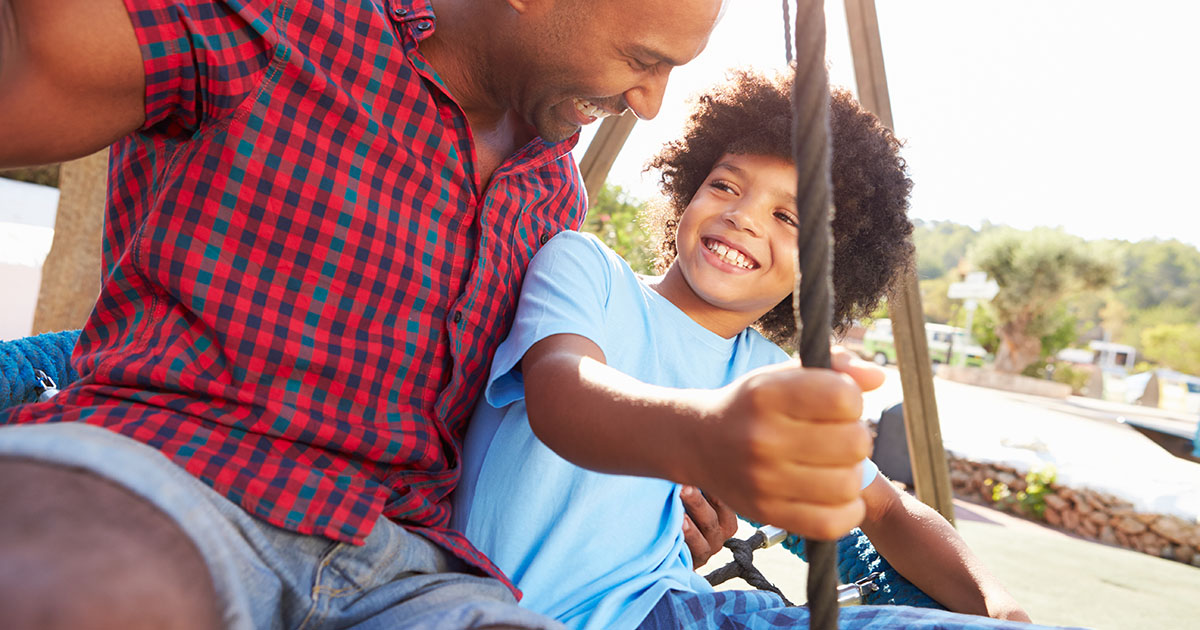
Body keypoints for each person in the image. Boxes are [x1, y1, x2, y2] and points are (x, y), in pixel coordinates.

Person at [0, 1, 880, 629]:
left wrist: (654, 511)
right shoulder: (286, 24)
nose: (651, 102)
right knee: (79, 587)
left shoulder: (550, 193)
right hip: (170, 473)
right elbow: (31, 63)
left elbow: (526, 431)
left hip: (403, 570)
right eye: (645, 59)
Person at [454, 71, 1058, 630]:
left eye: (787, 218)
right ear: (688, 191)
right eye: (724, 185)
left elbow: (886, 511)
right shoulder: (587, 269)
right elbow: (563, 394)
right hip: (495, 605)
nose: (742, 217)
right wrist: (712, 439)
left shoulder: (767, 374)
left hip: (664, 610)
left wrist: (994, 603)